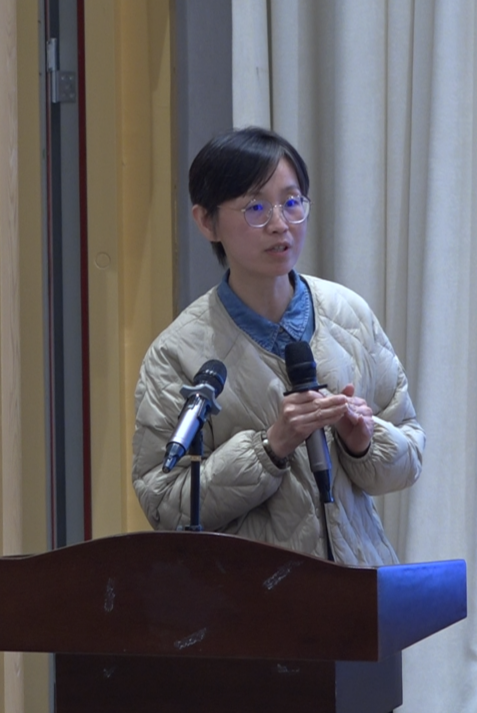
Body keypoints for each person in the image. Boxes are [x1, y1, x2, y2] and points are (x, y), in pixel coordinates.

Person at [131, 127, 423, 566]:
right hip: (252, 598)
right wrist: (270, 447)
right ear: (207, 221)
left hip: (361, 586)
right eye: (255, 207)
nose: (279, 224)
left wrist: (364, 442)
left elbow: (410, 455)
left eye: (291, 202)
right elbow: (162, 502)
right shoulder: (177, 354)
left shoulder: (349, 314)